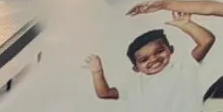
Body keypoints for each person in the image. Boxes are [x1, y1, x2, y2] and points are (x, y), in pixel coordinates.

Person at [84, 17, 214, 103]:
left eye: (159, 51)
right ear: (136, 68)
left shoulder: (183, 66)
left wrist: (186, 25)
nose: (154, 59)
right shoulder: (136, 86)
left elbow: (207, 40)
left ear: (171, 49)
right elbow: (105, 93)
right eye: (144, 59)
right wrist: (97, 72)